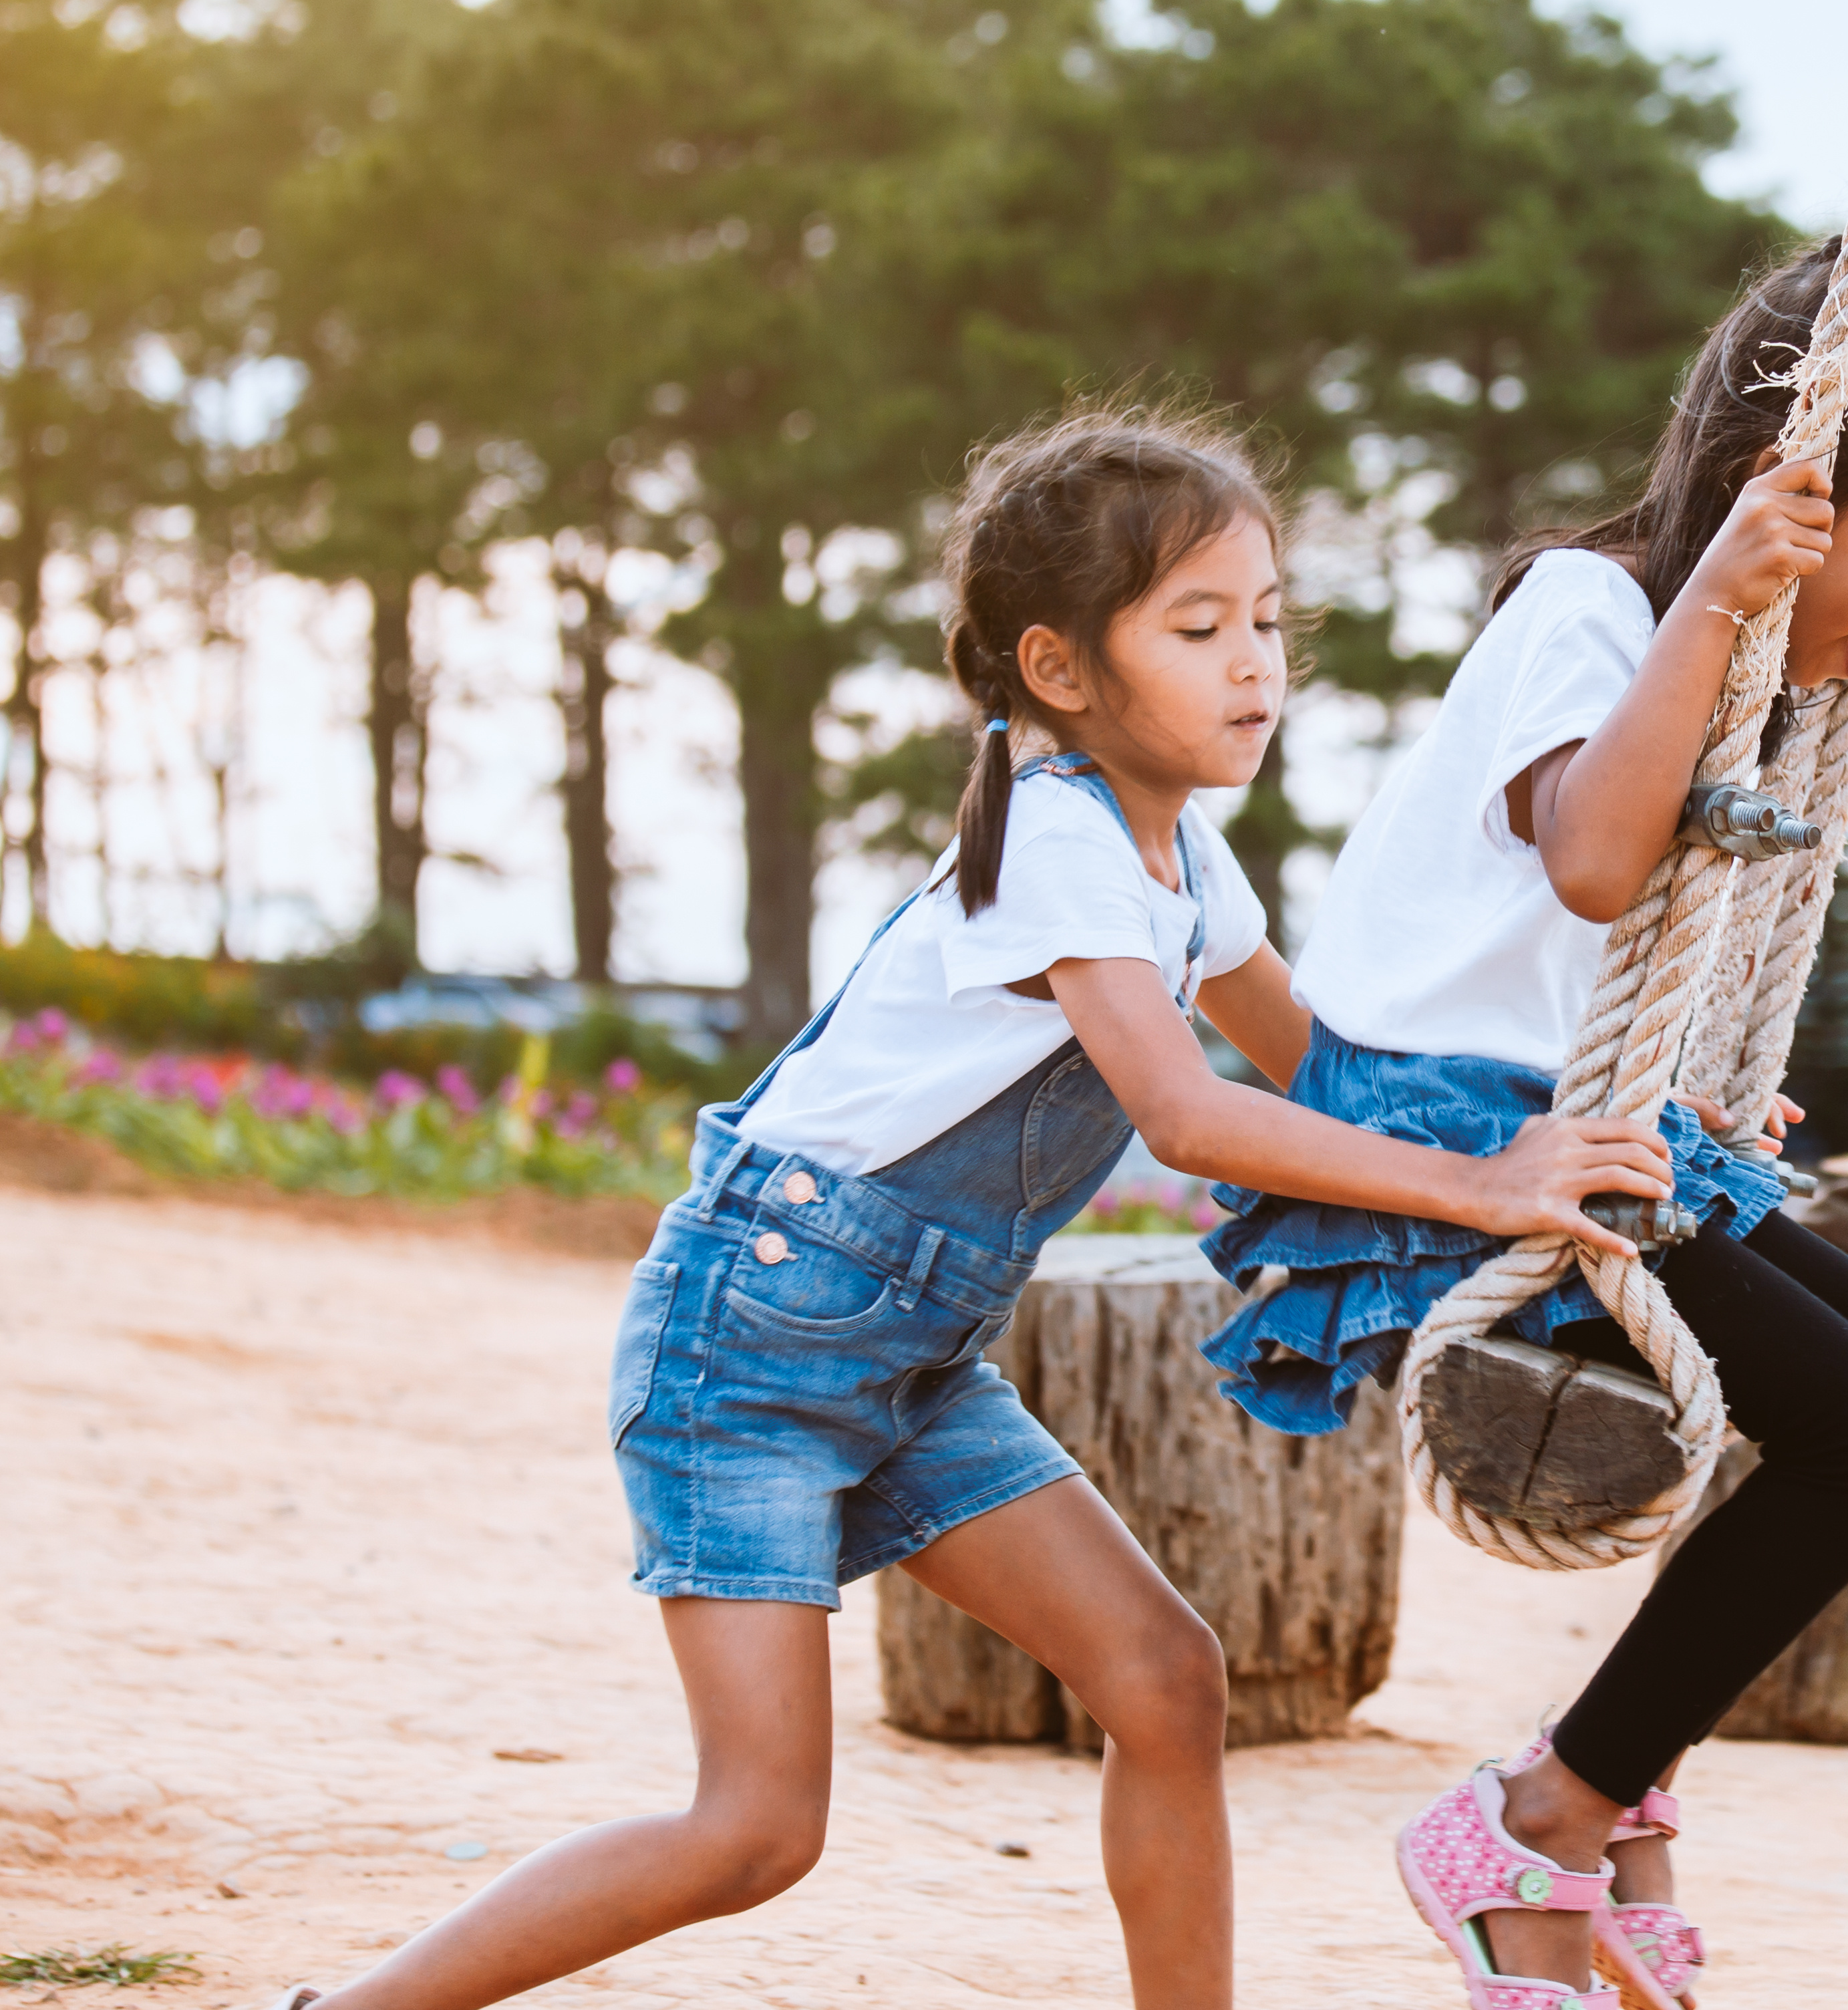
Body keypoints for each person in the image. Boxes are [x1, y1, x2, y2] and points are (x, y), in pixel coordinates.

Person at [266, 412, 1674, 2010]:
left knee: (1164, 1681)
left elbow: (1339, 1081)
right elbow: (1196, 1112)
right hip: (754, 1338)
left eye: (1270, 623)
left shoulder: (1190, 863)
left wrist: (1621, 1104)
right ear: (1062, 671)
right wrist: (1485, 1182)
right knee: (754, 1829)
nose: (1257, 667)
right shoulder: (1064, 841)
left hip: (915, 1357)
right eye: (1200, 629)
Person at [1199, 218, 1848, 2010]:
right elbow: (1597, 860)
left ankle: (1612, 1780)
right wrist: (1718, 599)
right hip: (1459, 1133)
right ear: (1802, 496)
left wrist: (1699, 1091)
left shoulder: (1741, 668)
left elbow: (1602, 947)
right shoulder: (1593, 611)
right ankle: (1542, 1815)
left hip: (1583, 1106)